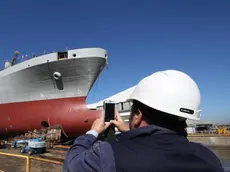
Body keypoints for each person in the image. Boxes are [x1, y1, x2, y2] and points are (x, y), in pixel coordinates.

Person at [63, 70, 224, 172]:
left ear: (138, 115)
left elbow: (71, 165)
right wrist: (130, 132)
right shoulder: (209, 158)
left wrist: (92, 132)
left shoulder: (109, 154)